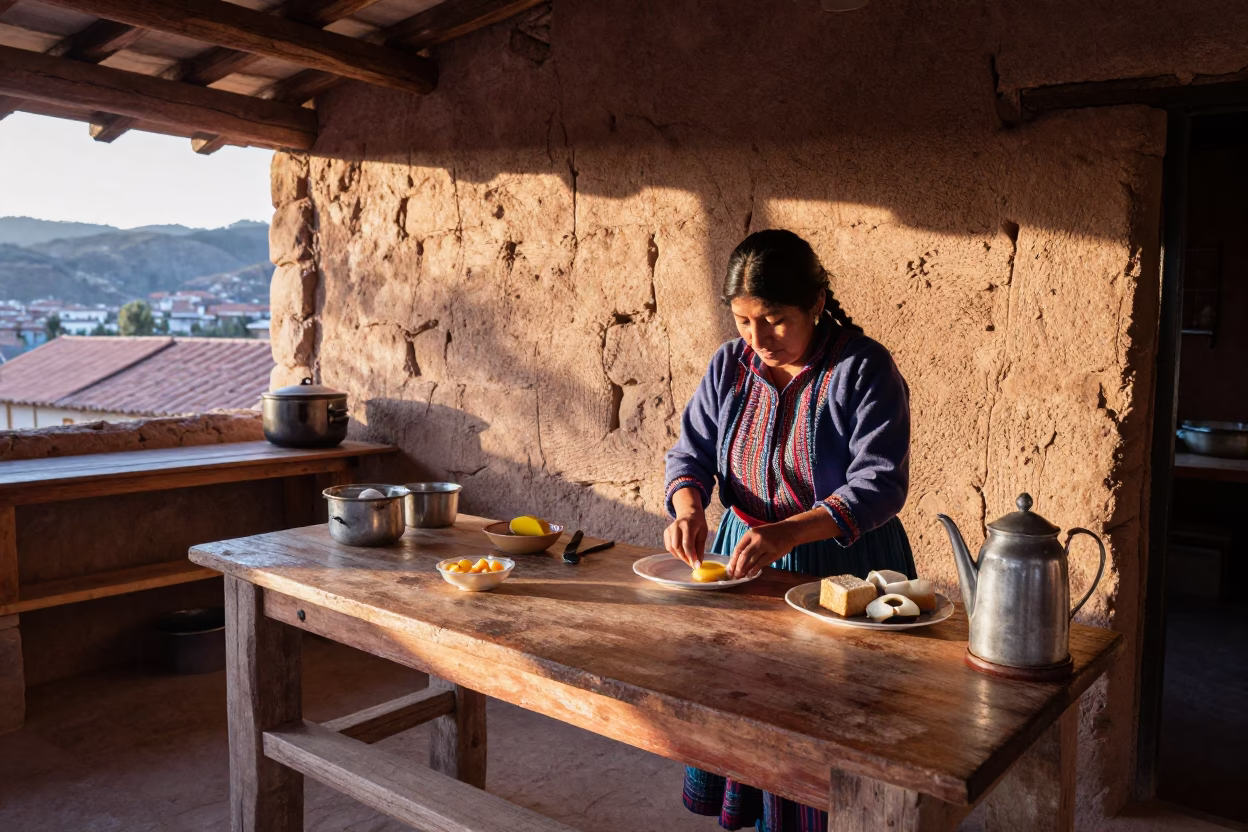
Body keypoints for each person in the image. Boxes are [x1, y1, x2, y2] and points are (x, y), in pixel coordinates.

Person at [663, 229, 915, 832]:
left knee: (831, 728)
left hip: (842, 568)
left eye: (774, 320)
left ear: (817, 304)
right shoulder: (730, 366)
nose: (757, 338)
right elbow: (690, 454)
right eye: (744, 320)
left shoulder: (862, 367)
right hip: (744, 558)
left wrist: (790, 533)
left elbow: (880, 482)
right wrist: (690, 507)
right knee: (748, 709)